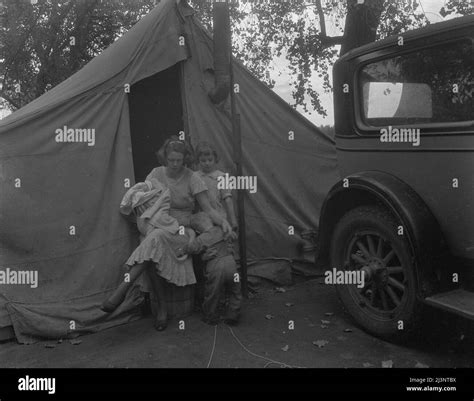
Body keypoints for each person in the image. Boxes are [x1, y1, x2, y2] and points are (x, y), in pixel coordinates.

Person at [136, 137, 234, 330]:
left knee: (154, 239)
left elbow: (207, 208)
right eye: (171, 160)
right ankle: (161, 306)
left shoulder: (192, 177)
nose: (174, 164)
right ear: (164, 157)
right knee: (149, 238)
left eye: (179, 160)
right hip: (159, 221)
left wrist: (224, 222)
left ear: (185, 159)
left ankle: (134, 291)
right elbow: (143, 200)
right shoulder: (155, 174)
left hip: (182, 226)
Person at [185, 212, 242, 325]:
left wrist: (191, 237)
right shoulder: (222, 229)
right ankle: (233, 314)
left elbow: (191, 249)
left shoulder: (201, 238)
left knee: (212, 292)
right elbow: (234, 236)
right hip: (231, 264)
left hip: (215, 267)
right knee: (235, 290)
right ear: (211, 221)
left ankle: (210, 315)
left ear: (197, 231)